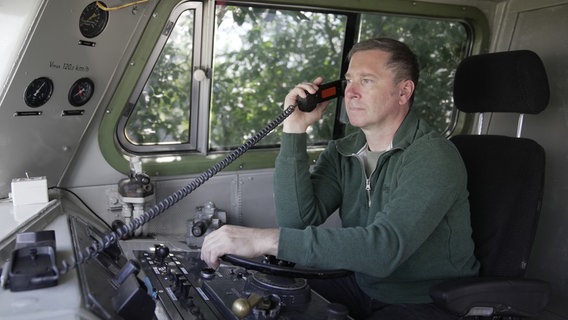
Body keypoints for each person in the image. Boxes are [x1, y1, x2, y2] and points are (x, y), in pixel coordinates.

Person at [200, 38, 480, 319]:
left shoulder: (432, 156)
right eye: (349, 81)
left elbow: (384, 249)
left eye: (367, 81)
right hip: (362, 282)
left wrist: (264, 240)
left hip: (427, 299)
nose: (351, 92)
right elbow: (296, 220)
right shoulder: (344, 150)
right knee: (275, 299)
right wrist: (294, 130)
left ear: (404, 91)